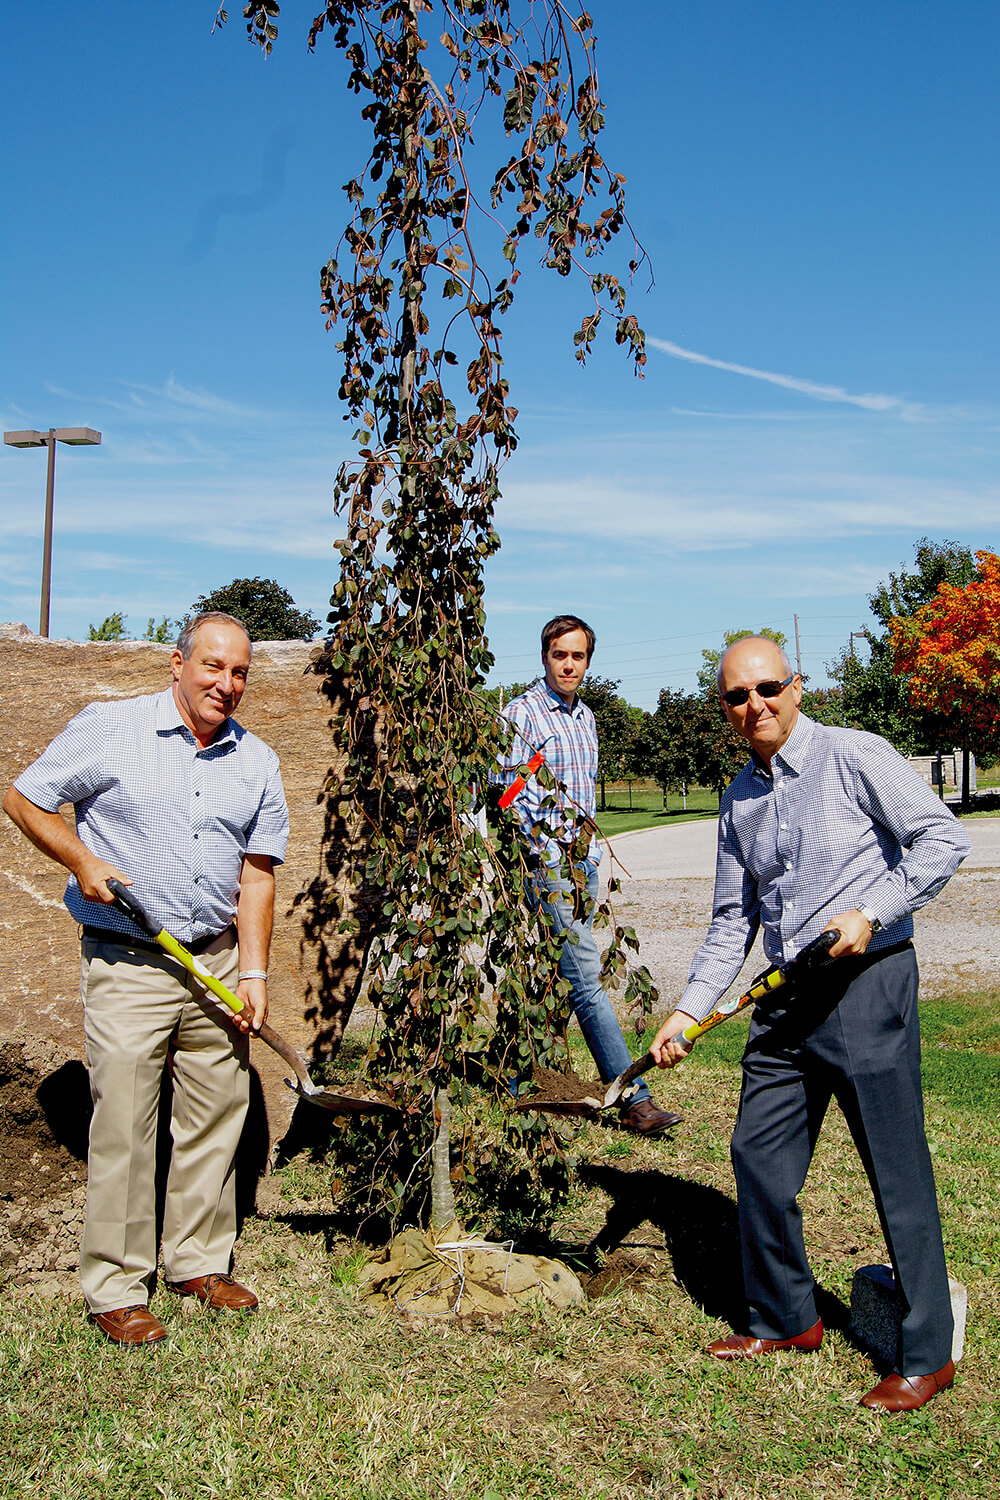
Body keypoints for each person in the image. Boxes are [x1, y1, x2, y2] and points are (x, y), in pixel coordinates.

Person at [650, 635, 969, 1412]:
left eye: (766, 688)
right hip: (785, 996)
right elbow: (734, 919)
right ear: (723, 709)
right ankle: (786, 1318)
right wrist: (690, 1010)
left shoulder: (857, 755)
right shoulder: (739, 797)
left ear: (796, 686)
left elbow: (941, 839)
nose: (754, 705)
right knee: (756, 1154)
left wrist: (873, 912)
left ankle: (926, 1353)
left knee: (894, 1171)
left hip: (867, 984)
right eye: (736, 696)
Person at [3, 612, 289, 1345]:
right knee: (126, 1122)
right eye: (213, 667)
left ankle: (196, 1259)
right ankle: (117, 1286)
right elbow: (24, 796)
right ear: (177, 662)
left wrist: (252, 970)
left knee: (216, 1110)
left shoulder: (255, 760)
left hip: (216, 958)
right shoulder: (111, 728)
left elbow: (257, 874)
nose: (226, 684)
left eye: (240, 674)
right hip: (129, 958)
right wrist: (79, 859)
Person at [500, 615, 679, 1134]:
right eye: (561, 654)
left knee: (551, 974)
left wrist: (592, 857)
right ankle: (633, 1096)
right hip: (548, 865)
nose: (569, 664)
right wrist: (538, 853)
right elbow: (506, 793)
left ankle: (519, 1081)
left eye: (578, 656)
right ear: (544, 656)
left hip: (584, 863)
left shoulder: (586, 719)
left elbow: (587, 792)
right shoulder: (524, 715)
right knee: (586, 978)